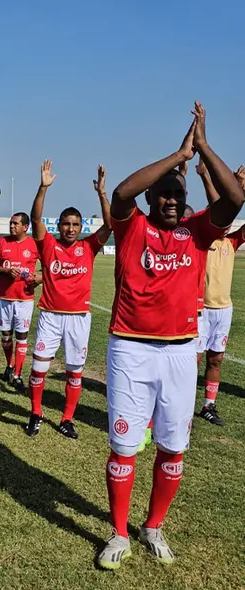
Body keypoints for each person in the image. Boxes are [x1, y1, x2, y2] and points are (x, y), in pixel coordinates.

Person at [96, 103, 244, 569]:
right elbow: (121, 192)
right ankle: (119, 533)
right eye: (163, 194)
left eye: (177, 193)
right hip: (130, 349)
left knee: (172, 447)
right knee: (123, 446)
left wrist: (202, 147)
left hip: (182, 352)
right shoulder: (131, 225)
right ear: (151, 199)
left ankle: (153, 525)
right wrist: (176, 154)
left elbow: (235, 199)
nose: (172, 201)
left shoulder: (199, 231)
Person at [25, 160, 112, 438]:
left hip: (78, 319)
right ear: (59, 225)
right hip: (50, 316)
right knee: (39, 368)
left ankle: (67, 419)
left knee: (75, 372)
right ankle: (36, 413)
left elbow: (110, 225)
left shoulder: (88, 247)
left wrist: (101, 194)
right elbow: (35, 219)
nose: (70, 229)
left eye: (75, 224)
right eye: (66, 224)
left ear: (81, 226)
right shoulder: (48, 244)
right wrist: (43, 187)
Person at [191, 160, 245, 425]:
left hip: (224, 310)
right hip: (200, 310)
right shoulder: (201, 240)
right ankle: (183, 403)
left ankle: (208, 405)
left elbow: (234, 204)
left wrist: (240, 187)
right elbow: (220, 204)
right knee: (194, 360)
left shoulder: (233, 242)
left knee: (216, 359)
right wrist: (207, 179)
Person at [0, 212, 39, 390]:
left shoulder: (34, 244)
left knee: (22, 336)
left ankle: (17, 374)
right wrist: (5, 271)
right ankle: (9, 365)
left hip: (25, 298)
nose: (11, 226)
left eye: (15, 224)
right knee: (6, 335)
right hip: (5, 297)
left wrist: (38, 278)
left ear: (25, 227)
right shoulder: (3, 241)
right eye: (10, 223)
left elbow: (49, 266)